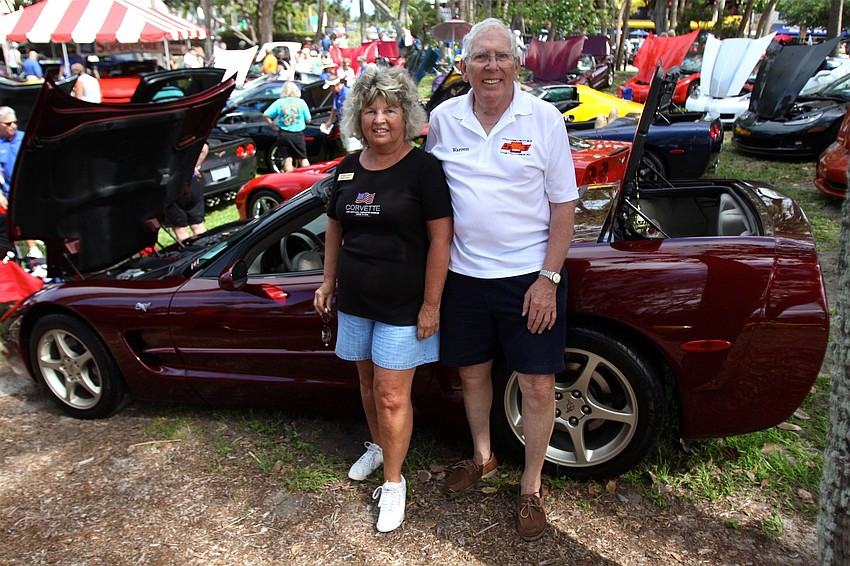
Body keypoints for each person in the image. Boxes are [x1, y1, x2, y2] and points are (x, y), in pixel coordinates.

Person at [424, 18, 579, 542]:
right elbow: (430, 199)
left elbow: (564, 208)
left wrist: (549, 279)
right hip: (464, 277)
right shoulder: (444, 118)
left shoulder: (544, 119)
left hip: (528, 278)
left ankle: (531, 485)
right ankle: (484, 457)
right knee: (472, 374)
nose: (491, 67)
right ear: (464, 66)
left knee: (537, 382)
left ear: (517, 62)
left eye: (501, 56)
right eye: (480, 58)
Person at [313, 66, 452, 533]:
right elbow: (335, 225)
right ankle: (378, 446)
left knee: (393, 395)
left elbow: (441, 242)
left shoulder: (424, 169)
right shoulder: (348, 166)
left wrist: (431, 305)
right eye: (370, 110)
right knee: (369, 383)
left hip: (403, 305)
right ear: (358, 116)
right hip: (355, 300)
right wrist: (328, 282)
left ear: (405, 115)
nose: (379, 119)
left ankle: (394, 483)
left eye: (390, 109)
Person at [263, 81, 312, 172]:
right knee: (303, 158)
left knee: (287, 159)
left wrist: (273, 126)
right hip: (297, 135)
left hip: (284, 134)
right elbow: (308, 119)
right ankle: (308, 177)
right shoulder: (301, 102)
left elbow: (266, 115)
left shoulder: (279, 102)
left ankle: (289, 180)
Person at [164, 143, 208, 242]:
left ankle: (191, 254)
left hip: (172, 187)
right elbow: (204, 147)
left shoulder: (164, 141)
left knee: (181, 230)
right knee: (198, 225)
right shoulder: (185, 138)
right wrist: (193, 166)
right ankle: (207, 250)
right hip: (191, 182)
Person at [323, 76, 362, 153]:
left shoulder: (346, 94)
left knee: (352, 149)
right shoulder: (336, 94)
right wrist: (329, 121)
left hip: (350, 124)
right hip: (343, 123)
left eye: (330, 88)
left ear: (334, 86)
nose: (330, 90)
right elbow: (334, 108)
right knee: (346, 147)